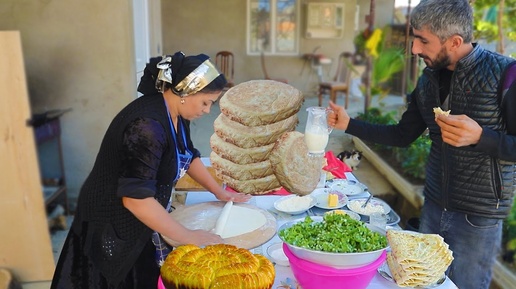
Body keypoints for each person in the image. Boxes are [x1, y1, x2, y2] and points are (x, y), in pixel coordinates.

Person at [327, 0, 516, 288]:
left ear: (454, 41)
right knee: (420, 283)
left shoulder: (506, 75)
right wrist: (349, 125)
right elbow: (403, 134)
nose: (414, 49)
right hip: (433, 208)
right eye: (414, 37)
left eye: (422, 40)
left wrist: (481, 137)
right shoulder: (428, 80)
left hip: (479, 220)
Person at [50, 52, 251, 289]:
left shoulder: (174, 111)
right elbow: (136, 200)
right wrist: (188, 236)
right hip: (113, 222)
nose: (207, 111)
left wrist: (220, 192)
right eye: (206, 102)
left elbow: (187, 154)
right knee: (116, 278)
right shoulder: (147, 127)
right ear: (185, 93)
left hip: (141, 213)